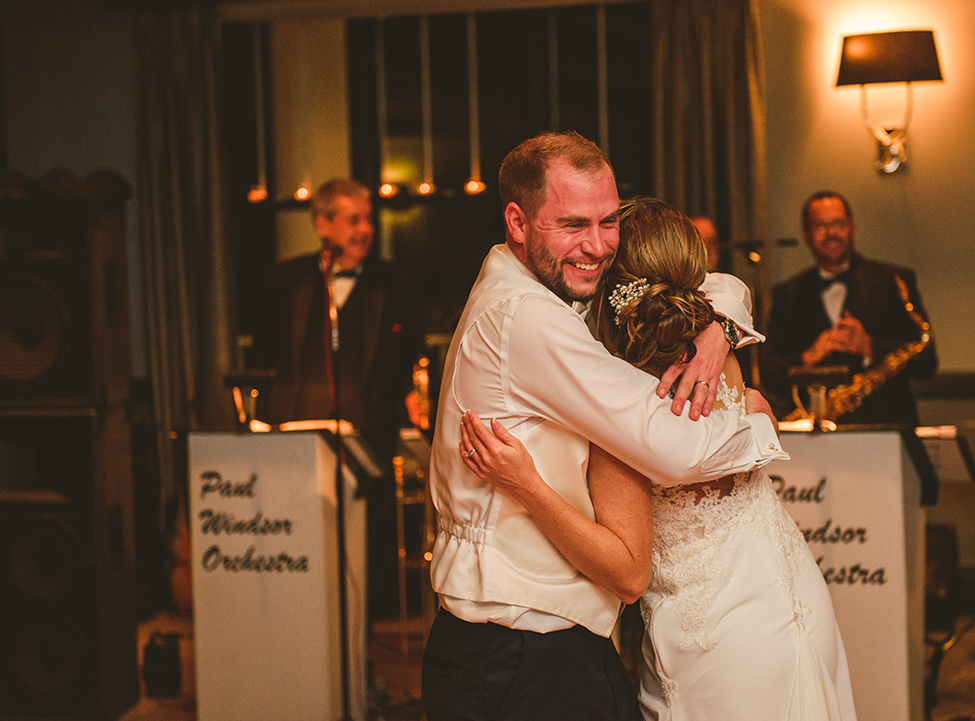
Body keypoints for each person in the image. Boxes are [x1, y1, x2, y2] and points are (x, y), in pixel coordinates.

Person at [422, 131, 787, 721]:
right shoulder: (526, 318)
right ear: (518, 221)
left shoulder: (554, 290)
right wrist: (760, 424)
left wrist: (718, 327)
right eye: (572, 225)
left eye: (608, 221)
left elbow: (718, 284)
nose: (596, 246)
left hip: (545, 644)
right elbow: (669, 445)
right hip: (515, 649)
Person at [459, 196, 856, 721]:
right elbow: (728, 289)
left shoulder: (618, 393)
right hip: (793, 597)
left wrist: (527, 484)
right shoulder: (716, 350)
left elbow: (627, 569)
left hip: (712, 635)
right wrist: (735, 367)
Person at [248, 177, 423, 619]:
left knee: (361, 559)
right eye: (353, 220)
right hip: (297, 440)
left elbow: (408, 357)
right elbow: (266, 359)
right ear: (322, 224)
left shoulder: (397, 284)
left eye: (368, 220)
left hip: (366, 440)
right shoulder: (282, 281)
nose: (364, 229)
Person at [761, 190, 937, 425]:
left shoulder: (894, 281)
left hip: (886, 429)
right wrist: (808, 356)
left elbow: (927, 362)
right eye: (820, 226)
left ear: (852, 227)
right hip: (814, 436)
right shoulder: (787, 294)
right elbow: (769, 374)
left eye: (838, 223)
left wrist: (870, 346)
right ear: (806, 235)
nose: (831, 233)